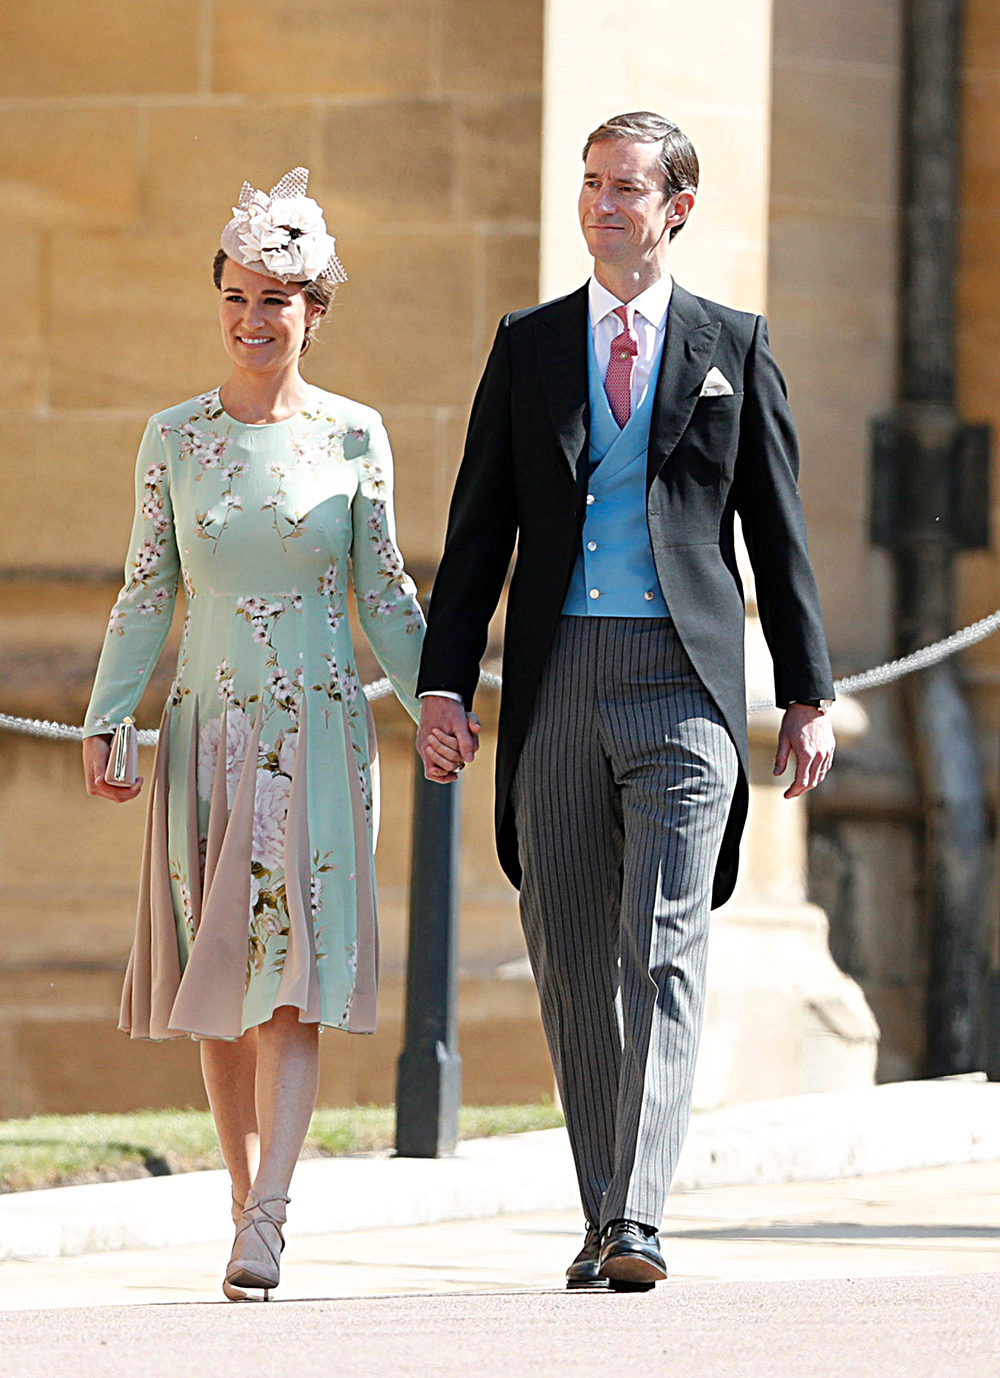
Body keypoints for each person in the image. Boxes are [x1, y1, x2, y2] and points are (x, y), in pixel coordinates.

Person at [415, 112, 836, 1291]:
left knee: (664, 942)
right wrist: (444, 683)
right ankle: (605, 1207)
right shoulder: (529, 344)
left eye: (628, 188)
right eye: (591, 184)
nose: (603, 204)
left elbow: (778, 533)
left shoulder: (732, 345)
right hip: (555, 679)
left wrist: (805, 692)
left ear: (676, 208)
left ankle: (638, 1215)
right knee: (567, 949)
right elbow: (475, 533)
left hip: (684, 684)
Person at [82, 168, 428, 1301]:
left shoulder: (355, 436)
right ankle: (240, 1209)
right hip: (205, 737)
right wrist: (107, 715)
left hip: (319, 738)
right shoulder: (172, 438)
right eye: (236, 296)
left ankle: (273, 1213)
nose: (252, 319)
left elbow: (384, 593)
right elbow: (146, 591)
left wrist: (439, 697)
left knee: (290, 980)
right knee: (220, 984)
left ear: (314, 311)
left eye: (276, 299)